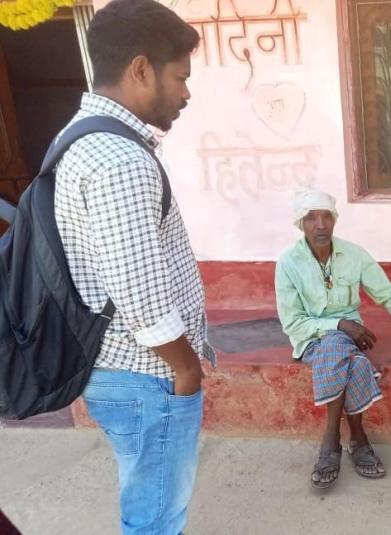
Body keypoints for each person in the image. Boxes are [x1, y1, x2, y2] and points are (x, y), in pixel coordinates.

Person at [54, 1, 213, 532]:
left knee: (147, 502)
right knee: (155, 519)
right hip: (146, 374)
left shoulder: (81, 137)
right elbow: (142, 298)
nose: (186, 93)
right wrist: (186, 370)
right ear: (141, 69)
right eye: (180, 77)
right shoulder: (119, 160)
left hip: (117, 369)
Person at [276, 189, 391, 490]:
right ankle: (353, 439)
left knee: (342, 350)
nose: (320, 225)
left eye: (326, 217)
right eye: (311, 218)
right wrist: (340, 324)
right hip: (310, 339)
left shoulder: (353, 254)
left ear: (335, 220)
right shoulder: (288, 263)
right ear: (300, 224)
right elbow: (292, 323)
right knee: (354, 361)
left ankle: (334, 443)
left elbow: (387, 294)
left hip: (348, 338)